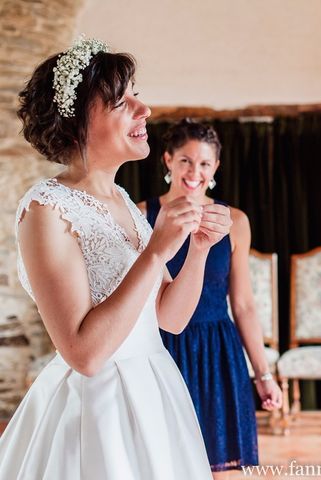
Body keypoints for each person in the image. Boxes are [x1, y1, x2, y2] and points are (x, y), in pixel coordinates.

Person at [0, 37, 232, 479]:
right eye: (121, 102)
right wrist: (157, 250)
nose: (143, 110)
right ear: (75, 124)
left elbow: (170, 318)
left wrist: (198, 249)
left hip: (155, 390)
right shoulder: (47, 209)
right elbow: (84, 355)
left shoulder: (124, 201)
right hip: (96, 409)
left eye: (137, 96)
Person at [137, 119, 283, 478]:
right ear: (168, 160)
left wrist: (263, 374)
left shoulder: (235, 221)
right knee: (163, 464)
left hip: (218, 353)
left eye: (204, 163)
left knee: (218, 467)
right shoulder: (141, 216)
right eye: (186, 160)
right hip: (162, 350)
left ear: (215, 167)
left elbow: (244, 304)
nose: (194, 172)